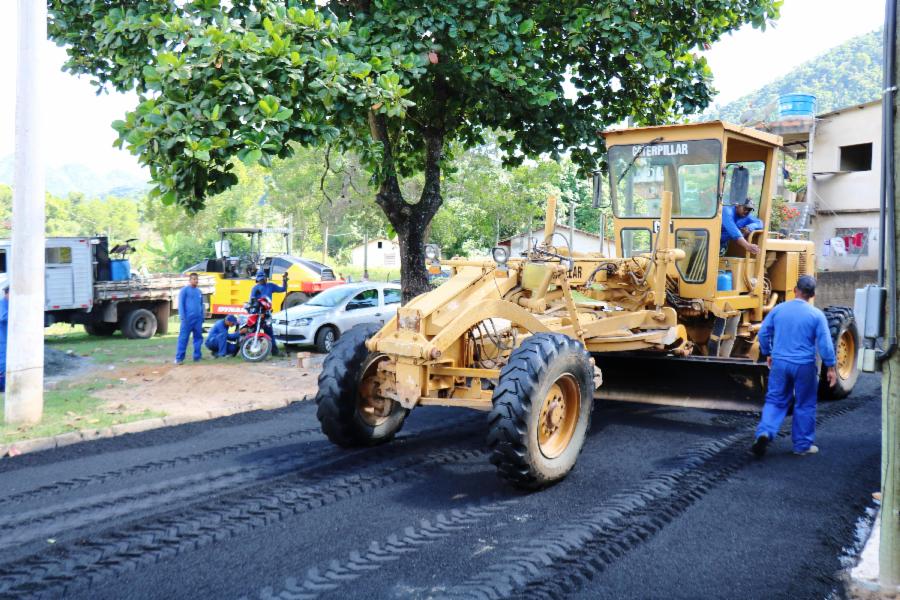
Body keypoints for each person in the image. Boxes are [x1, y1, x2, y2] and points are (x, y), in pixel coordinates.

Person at [751, 275, 837, 458]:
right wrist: (830, 367)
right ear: (812, 295)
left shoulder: (778, 310)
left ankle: (764, 433)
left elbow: (764, 333)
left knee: (775, 400)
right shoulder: (816, 315)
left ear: (795, 290)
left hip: (780, 363)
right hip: (804, 365)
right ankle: (802, 446)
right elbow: (825, 345)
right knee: (805, 404)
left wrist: (768, 353)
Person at [249, 271, 288, 356]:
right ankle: (251, 348)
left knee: (269, 332)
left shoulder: (270, 286)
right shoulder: (255, 288)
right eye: (260, 280)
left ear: (266, 278)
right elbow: (251, 301)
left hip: (267, 313)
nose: (262, 281)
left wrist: (284, 280)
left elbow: (283, 289)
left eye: (263, 279)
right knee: (254, 331)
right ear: (257, 280)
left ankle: (274, 351)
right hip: (257, 313)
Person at [175, 273, 204, 364]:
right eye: (194, 279)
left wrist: (202, 316)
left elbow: (201, 304)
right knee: (183, 338)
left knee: (198, 338)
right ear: (190, 280)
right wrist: (183, 317)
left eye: (197, 279)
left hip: (198, 320)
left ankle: (197, 357)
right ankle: (179, 358)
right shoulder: (184, 291)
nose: (196, 281)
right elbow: (181, 304)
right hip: (187, 319)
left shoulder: (199, 291)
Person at [0, 287, 8, 392]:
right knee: (3, 359)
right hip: (2, 337)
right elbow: (3, 316)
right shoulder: (2, 303)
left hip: (8, 337)